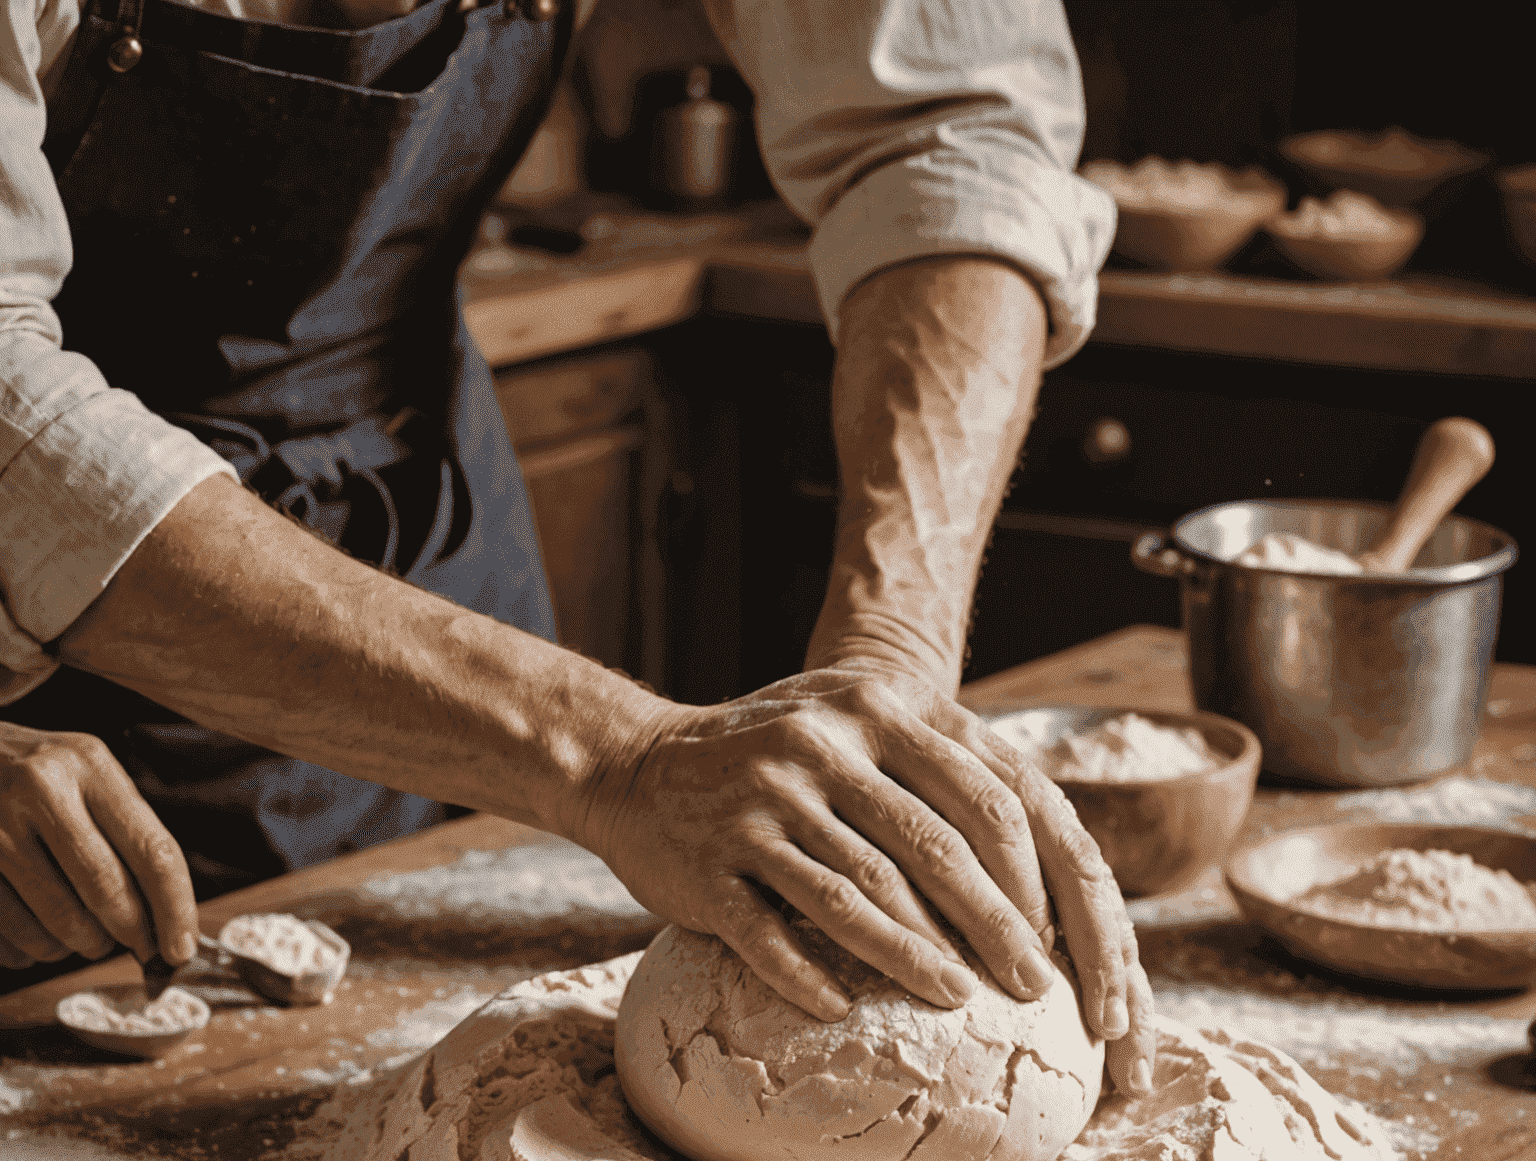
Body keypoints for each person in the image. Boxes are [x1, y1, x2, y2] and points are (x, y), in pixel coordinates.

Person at [0, 0, 1156, 1093]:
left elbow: (949, 132)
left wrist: (890, 654)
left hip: (423, 524)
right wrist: (614, 761)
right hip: (50, 668)